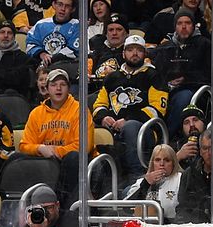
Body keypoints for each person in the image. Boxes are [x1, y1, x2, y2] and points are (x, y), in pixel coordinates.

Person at [15, 67, 94, 206]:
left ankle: (63, 207)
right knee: (15, 159)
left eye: (62, 85)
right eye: (53, 85)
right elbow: (24, 145)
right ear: (47, 88)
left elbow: (84, 146)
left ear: (68, 88)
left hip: (70, 164)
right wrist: (40, 148)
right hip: (45, 164)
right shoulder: (36, 113)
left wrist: (55, 151)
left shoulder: (80, 110)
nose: (58, 88)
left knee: (74, 158)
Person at [92, 34, 166, 180]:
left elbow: (157, 109)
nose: (134, 53)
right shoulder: (112, 78)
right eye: (130, 49)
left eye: (138, 50)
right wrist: (104, 117)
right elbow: (98, 105)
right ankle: (99, 180)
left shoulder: (153, 75)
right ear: (123, 53)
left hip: (144, 130)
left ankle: (137, 176)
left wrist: (127, 120)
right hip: (113, 127)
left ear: (145, 53)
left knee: (130, 127)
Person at [125, 143, 183, 222]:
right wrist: (146, 184)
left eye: (167, 160)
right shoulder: (142, 182)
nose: (162, 164)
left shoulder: (181, 179)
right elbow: (126, 208)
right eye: (157, 160)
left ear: (173, 163)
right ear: (152, 163)